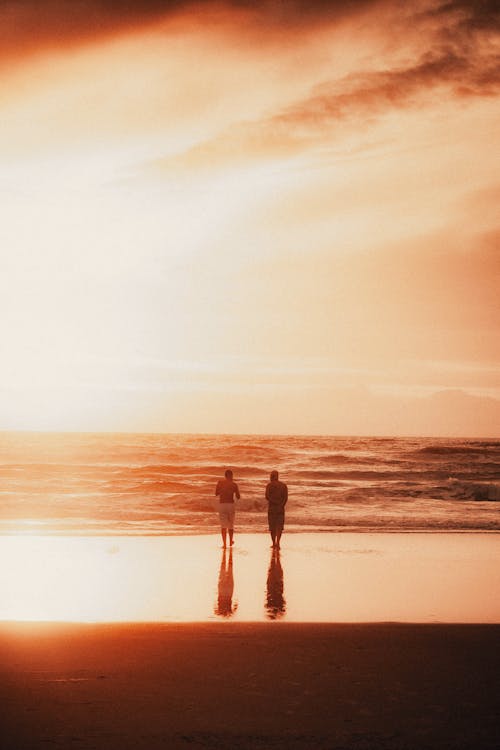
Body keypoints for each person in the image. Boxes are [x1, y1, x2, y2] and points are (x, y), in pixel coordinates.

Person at [215, 469, 240, 548]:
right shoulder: (234, 484)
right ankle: (230, 541)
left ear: (225, 476)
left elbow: (216, 493)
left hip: (222, 504)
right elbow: (238, 497)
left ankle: (224, 544)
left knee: (223, 525)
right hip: (230, 504)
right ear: (231, 476)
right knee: (231, 524)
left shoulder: (220, 483)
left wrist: (222, 490)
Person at [265, 470, 288, 549]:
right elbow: (285, 498)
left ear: (273, 476)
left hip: (272, 508)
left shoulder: (269, 485)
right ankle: (278, 542)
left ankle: (274, 543)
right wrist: (281, 505)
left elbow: (267, 497)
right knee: (279, 526)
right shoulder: (283, 486)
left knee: (272, 526)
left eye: (271, 476)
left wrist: (274, 502)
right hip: (280, 508)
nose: (270, 477)